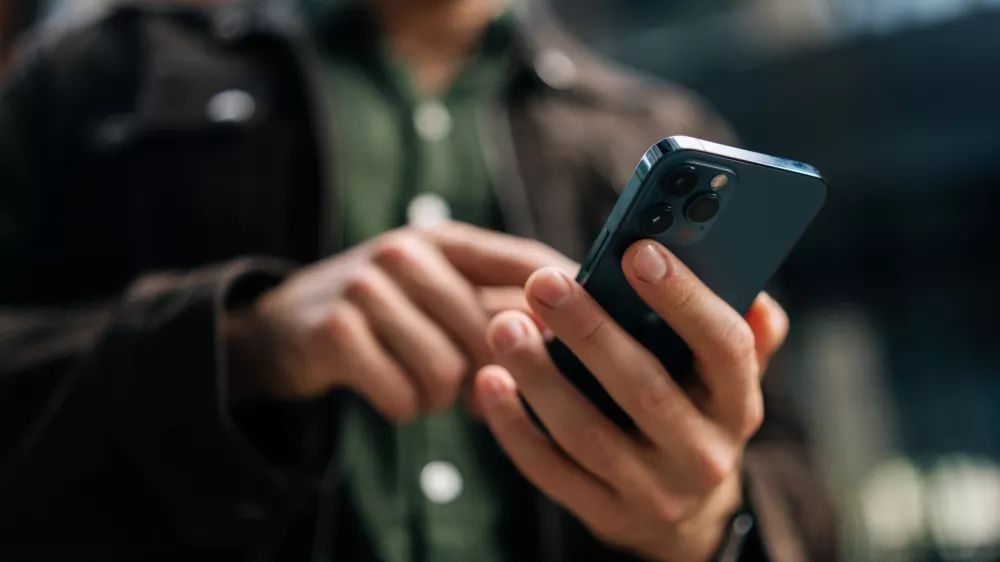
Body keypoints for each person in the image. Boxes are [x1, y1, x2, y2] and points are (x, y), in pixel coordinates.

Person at [0, 0, 837, 560]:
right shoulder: (99, 78)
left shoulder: (654, 127)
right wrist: (250, 343)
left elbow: (802, 493)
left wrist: (706, 524)